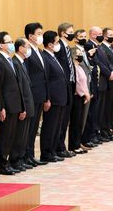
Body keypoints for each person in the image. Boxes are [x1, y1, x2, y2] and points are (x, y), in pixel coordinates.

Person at [0, 32, 25, 175]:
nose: (12, 44)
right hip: (7, 105)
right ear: (1, 45)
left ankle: (7, 162)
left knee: (12, 135)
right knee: (5, 135)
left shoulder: (9, 60)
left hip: (15, 104)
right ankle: (2, 163)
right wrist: (1, 107)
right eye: (9, 41)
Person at [40, 31, 69, 162]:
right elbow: (46, 79)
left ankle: (53, 150)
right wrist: (48, 98)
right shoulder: (45, 57)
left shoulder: (53, 56)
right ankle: (46, 153)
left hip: (61, 97)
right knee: (49, 127)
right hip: (53, 98)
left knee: (57, 127)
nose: (59, 45)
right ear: (51, 44)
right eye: (57, 42)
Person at [23, 23, 49, 167]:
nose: (41, 36)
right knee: (29, 127)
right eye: (39, 33)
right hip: (32, 95)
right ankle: (26, 155)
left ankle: (31, 154)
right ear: (31, 36)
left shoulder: (39, 51)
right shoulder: (28, 52)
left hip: (41, 94)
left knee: (34, 129)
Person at [11, 38, 35, 171]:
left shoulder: (22, 63)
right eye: (27, 47)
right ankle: (15, 160)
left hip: (28, 103)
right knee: (19, 135)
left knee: (24, 135)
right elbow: (19, 87)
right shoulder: (15, 63)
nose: (29, 49)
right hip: (23, 105)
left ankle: (20, 158)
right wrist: (23, 107)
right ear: (20, 48)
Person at [54, 23, 76, 158]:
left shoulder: (67, 47)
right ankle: (59, 147)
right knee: (61, 120)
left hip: (70, 84)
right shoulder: (59, 47)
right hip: (63, 86)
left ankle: (62, 146)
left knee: (66, 118)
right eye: (70, 31)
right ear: (63, 33)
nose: (72, 34)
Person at [71, 48, 91, 153]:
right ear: (73, 56)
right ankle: (73, 145)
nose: (81, 56)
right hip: (77, 96)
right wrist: (84, 93)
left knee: (80, 122)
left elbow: (85, 82)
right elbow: (77, 83)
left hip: (83, 96)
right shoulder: (73, 68)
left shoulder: (79, 67)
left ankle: (78, 143)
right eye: (79, 54)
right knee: (75, 122)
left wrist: (87, 93)